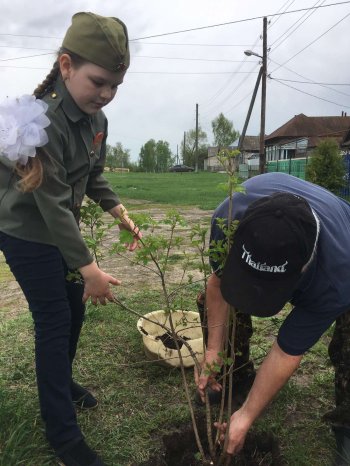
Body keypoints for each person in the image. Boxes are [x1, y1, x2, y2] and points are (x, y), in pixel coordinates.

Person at [0, 12, 141, 466]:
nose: (105, 94)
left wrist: (119, 212)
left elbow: (93, 177)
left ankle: (62, 382)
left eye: (115, 86)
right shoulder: (41, 123)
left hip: (58, 228)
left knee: (72, 310)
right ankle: (63, 435)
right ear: (65, 67)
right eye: (98, 81)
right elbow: (53, 205)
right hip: (25, 232)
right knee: (55, 318)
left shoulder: (95, 119)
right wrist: (90, 270)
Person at [195, 172, 350, 465]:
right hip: (262, 209)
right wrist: (214, 350)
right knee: (228, 298)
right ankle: (235, 376)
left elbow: (288, 349)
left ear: (303, 269)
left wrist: (248, 415)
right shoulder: (229, 219)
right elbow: (217, 284)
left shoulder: (336, 276)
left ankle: (347, 423)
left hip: (343, 248)